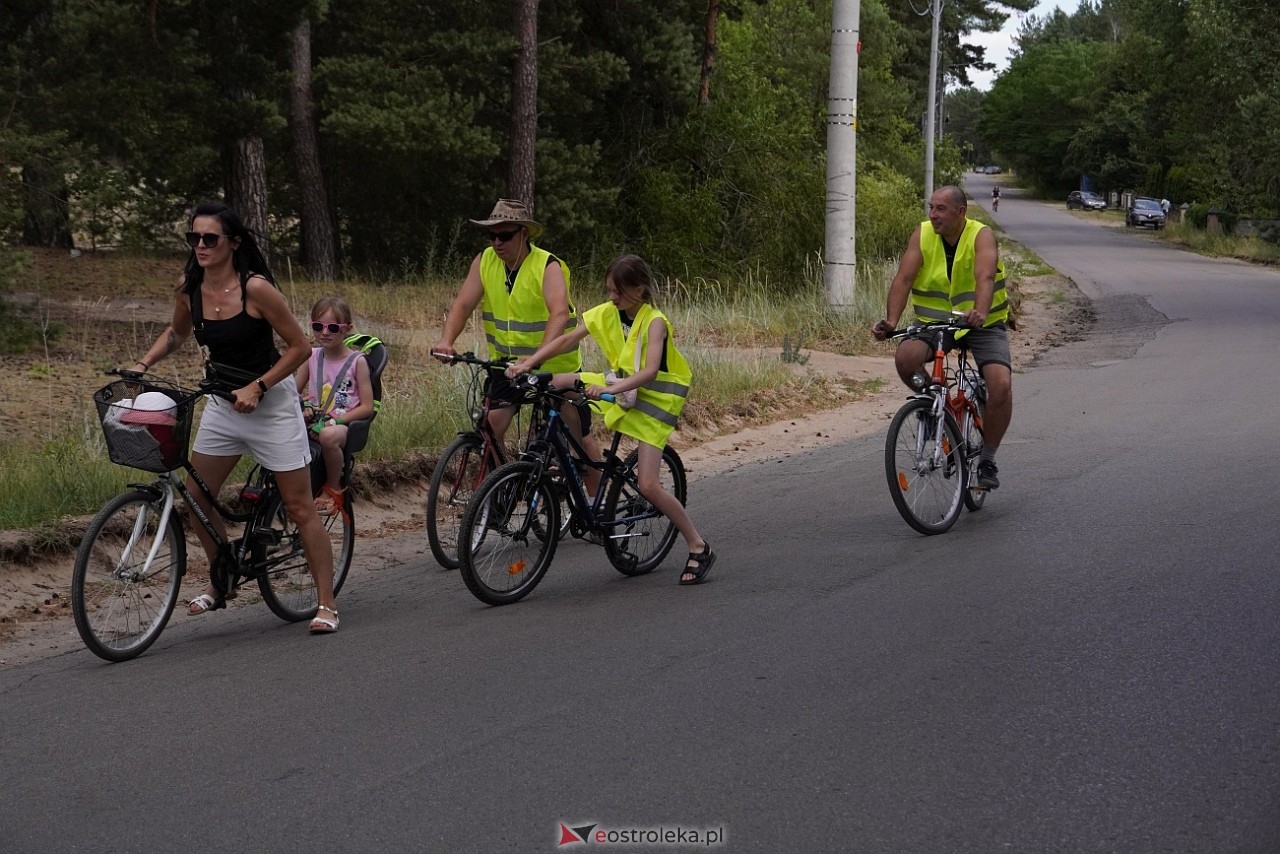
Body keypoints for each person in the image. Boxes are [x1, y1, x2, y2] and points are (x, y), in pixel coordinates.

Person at [131, 201, 341, 633]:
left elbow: (300, 347)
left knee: (300, 506)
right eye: (194, 238)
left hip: (272, 404)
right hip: (224, 404)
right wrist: (142, 364)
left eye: (210, 238)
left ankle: (326, 603)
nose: (201, 246)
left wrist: (259, 386)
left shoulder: (257, 289)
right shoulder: (190, 286)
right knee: (197, 497)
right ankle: (222, 581)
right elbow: (177, 332)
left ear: (234, 242)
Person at [507, 254, 715, 585]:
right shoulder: (608, 313)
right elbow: (567, 339)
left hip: (655, 402)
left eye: (618, 291)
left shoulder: (655, 322)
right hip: (620, 388)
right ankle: (575, 458)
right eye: (609, 290)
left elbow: (648, 372)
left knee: (647, 485)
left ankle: (698, 545)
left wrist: (607, 387)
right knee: (557, 382)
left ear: (639, 289)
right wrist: (530, 364)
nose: (612, 298)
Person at [431, 197, 600, 494]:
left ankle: (600, 510)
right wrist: (447, 340)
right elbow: (463, 303)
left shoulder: (547, 266)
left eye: (505, 235)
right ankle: (495, 499)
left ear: (524, 234)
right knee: (491, 427)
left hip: (553, 366)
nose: (497, 242)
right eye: (492, 235)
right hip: (507, 365)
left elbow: (559, 314)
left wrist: (537, 358)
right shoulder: (485, 261)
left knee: (578, 437)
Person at [873, 185, 1013, 490]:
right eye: (931, 207)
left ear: (960, 212)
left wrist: (980, 310)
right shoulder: (922, 234)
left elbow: (985, 277)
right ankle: (940, 410)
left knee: (1000, 384)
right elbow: (904, 279)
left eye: (940, 209)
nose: (933, 215)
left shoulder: (980, 235)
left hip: (982, 322)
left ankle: (987, 459)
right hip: (937, 322)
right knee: (905, 359)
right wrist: (891, 321)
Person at [295, 296, 375, 518]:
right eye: (318, 327)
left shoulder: (357, 362)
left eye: (332, 327)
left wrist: (336, 421)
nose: (325, 333)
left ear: (346, 329)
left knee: (328, 436)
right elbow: (293, 392)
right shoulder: (310, 356)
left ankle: (333, 487)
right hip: (314, 418)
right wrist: (305, 406)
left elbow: (367, 407)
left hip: (343, 423)